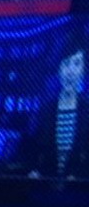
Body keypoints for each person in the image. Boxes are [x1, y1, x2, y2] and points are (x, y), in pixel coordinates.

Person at [25, 47, 89, 180]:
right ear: (59, 69)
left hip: (79, 189)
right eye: (66, 63)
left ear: (83, 70)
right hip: (46, 185)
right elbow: (32, 149)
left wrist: (78, 176)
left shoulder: (86, 110)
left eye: (76, 63)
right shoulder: (46, 110)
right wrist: (35, 171)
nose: (70, 71)